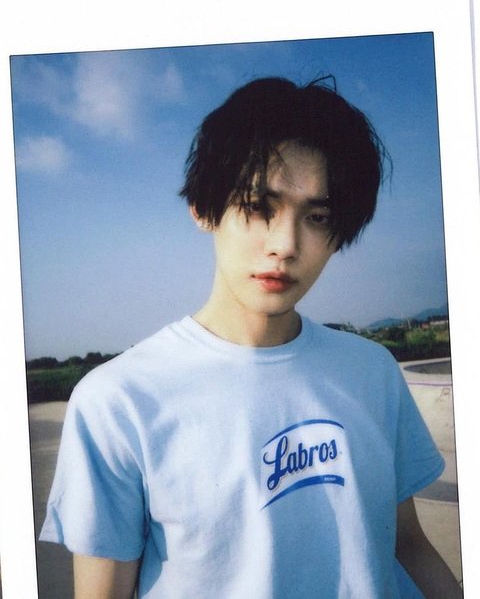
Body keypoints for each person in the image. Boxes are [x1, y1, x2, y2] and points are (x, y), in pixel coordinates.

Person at [40, 77, 462, 598]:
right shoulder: (117, 401)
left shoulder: (373, 370)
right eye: (259, 206)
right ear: (203, 208)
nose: (285, 244)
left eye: (318, 217)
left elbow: (408, 546)